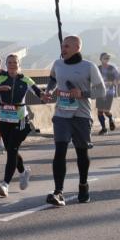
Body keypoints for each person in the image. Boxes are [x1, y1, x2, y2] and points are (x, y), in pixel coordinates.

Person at [41, 35, 106, 206]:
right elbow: (53, 79)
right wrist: (49, 91)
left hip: (81, 115)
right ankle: (58, 192)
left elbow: (102, 91)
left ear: (77, 48)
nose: (63, 49)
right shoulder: (57, 64)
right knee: (60, 150)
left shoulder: (89, 66)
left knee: (81, 153)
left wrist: (82, 93)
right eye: (62, 46)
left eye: (67, 46)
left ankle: (83, 186)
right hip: (61, 114)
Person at [0, 54, 43, 197]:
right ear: (6, 65)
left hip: (21, 121)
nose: (12, 65)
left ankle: (5, 184)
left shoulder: (25, 79)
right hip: (4, 121)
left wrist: (44, 96)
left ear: (19, 64)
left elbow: (38, 92)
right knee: (11, 150)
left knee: (12, 149)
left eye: (15, 62)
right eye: (10, 62)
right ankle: (23, 172)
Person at [96, 52, 120, 135]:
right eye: (105, 58)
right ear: (101, 59)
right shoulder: (97, 68)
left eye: (108, 58)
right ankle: (104, 129)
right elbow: (92, 79)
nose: (107, 60)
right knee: (99, 111)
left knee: (106, 111)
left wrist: (112, 83)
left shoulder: (112, 68)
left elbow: (118, 79)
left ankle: (111, 118)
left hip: (109, 92)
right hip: (100, 92)